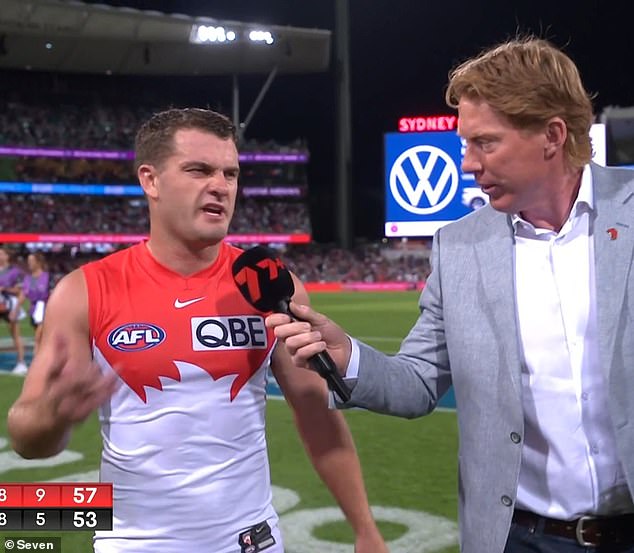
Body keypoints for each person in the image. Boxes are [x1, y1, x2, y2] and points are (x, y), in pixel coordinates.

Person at [266, 36, 634, 553]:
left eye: (485, 142)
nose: (467, 163)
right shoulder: (460, 247)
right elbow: (418, 383)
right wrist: (348, 356)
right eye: (466, 144)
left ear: (552, 135)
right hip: (518, 538)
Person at [7, 108, 387, 553]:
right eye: (199, 170)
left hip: (252, 541)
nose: (220, 186)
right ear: (150, 180)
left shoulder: (272, 285)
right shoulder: (83, 292)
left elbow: (316, 416)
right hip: (134, 544)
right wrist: (55, 414)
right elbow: (26, 437)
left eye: (230, 173)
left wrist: (365, 529)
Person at [18, 251, 51, 363]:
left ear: (38, 262)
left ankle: (36, 364)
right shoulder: (27, 278)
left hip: (45, 309)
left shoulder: (47, 277)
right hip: (33, 310)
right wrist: (17, 307)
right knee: (41, 339)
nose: (29, 263)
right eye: (28, 261)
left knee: (38, 337)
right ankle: (44, 360)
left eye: (31, 261)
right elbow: (24, 293)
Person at [0, 246, 27, 374]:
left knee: (15, 335)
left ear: (7, 256)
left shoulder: (14, 271)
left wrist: (5, 289)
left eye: (1, 254)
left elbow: (20, 290)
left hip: (9, 304)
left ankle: (21, 362)